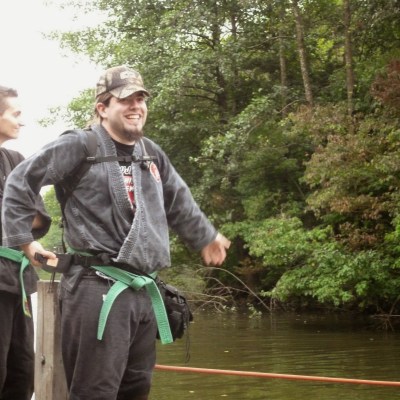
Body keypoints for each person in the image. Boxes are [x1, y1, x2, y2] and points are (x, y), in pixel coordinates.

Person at [1, 66, 231, 400]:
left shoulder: (150, 152)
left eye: (141, 99)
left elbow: (179, 200)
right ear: (103, 107)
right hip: (96, 288)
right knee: (95, 392)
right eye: (125, 100)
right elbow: (21, 181)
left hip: (143, 290)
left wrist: (205, 236)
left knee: (136, 389)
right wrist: (24, 241)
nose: (136, 106)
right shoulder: (80, 146)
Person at [0, 86, 51, 400]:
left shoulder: (17, 161)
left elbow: (37, 218)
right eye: (15, 114)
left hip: (17, 280)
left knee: (22, 372)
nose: (22, 121)